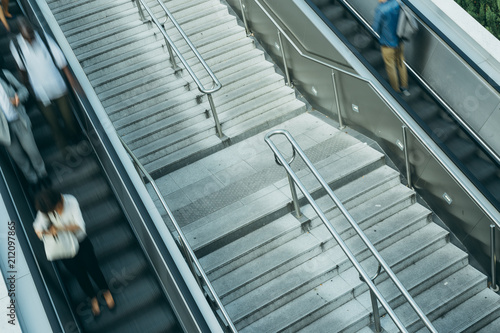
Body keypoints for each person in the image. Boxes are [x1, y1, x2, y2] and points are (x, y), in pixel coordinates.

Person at [33, 189, 115, 316]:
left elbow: (80, 226)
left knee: (93, 268)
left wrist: (60, 228)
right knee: (79, 274)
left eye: (55, 209)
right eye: (52, 211)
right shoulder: (46, 208)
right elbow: (37, 228)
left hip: (80, 241)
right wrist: (47, 232)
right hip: (64, 247)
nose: (55, 212)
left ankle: (105, 291)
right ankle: (92, 297)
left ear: (59, 200)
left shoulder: (70, 201)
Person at [10, 17, 80, 152]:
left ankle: (75, 139)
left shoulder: (42, 36)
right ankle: (65, 150)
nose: (31, 39)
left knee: (68, 118)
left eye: (31, 34)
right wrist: (27, 87)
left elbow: (61, 60)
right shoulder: (16, 45)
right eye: (27, 37)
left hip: (58, 87)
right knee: (53, 124)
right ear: (20, 33)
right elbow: (21, 69)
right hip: (40, 92)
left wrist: (72, 81)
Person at [0, 65, 49, 192]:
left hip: (19, 121)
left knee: (32, 150)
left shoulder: (4, 75)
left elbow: (23, 89)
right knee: (19, 157)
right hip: (3, 130)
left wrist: (18, 98)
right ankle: (33, 179)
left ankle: (42, 174)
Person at [373, 0, 410, 96]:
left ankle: (396, 90)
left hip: (387, 44)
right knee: (401, 63)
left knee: (391, 67)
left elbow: (376, 28)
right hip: (399, 41)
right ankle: (404, 87)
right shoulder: (398, 3)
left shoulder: (381, 10)